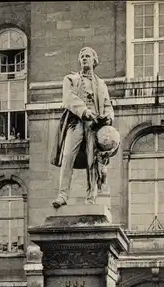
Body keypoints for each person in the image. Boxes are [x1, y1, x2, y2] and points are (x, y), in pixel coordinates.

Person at [50, 47, 117, 208]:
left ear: (94, 61)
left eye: (88, 56)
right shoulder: (70, 79)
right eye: (82, 56)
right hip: (76, 122)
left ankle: (91, 195)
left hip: (94, 126)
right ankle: (62, 194)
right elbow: (68, 98)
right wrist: (84, 111)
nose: (84, 58)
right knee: (67, 156)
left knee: (92, 160)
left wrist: (108, 116)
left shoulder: (101, 84)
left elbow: (108, 105)